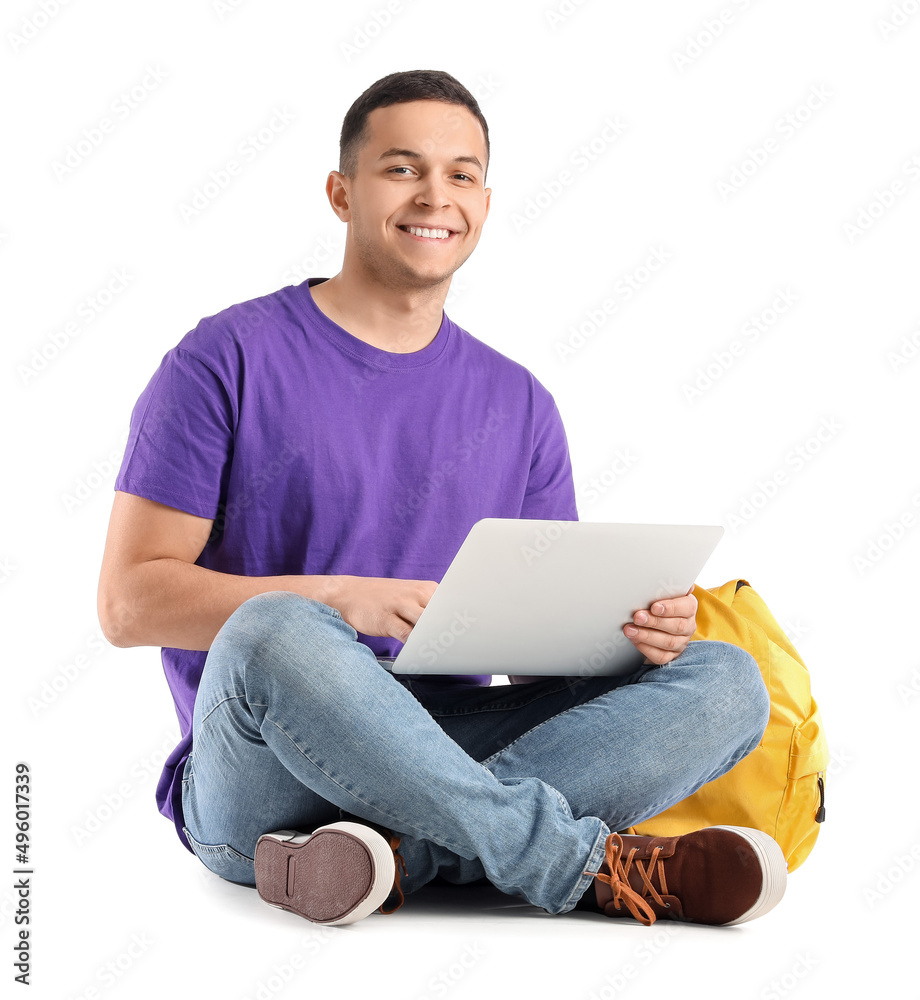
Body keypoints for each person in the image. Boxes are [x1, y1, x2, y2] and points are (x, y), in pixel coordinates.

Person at [97, 69, 784, 929]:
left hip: (451, 736)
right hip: (262, 767)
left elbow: (537, 662)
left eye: (462, 174)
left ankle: (379, 861)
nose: (436, 195)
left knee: (727, 682)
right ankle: (576, 862)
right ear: (341, 194)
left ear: (485, 206)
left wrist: (629, 636)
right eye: (402, 168)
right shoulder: (222, 359)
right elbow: (127, 605)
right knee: (280, 628)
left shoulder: (519, 402)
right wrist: (338, 599)